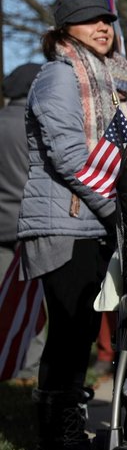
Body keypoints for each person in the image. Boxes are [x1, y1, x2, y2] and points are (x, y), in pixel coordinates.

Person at [19, 0, 127, 450]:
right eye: (90, 21)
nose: (103, 26)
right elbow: (69, 155)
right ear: (65, 31)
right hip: (64, 221)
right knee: (70, 331)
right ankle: (57, 437)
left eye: (107, 19)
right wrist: (113, 209)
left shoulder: (112, 82)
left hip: (94, 223)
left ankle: (68, 425)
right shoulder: (59, 76)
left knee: (85, 332)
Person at [0, 63, 45, 380]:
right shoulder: (37, 126)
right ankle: (27, 372)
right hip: (32, 225)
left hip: (1, 229)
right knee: (33, 306)